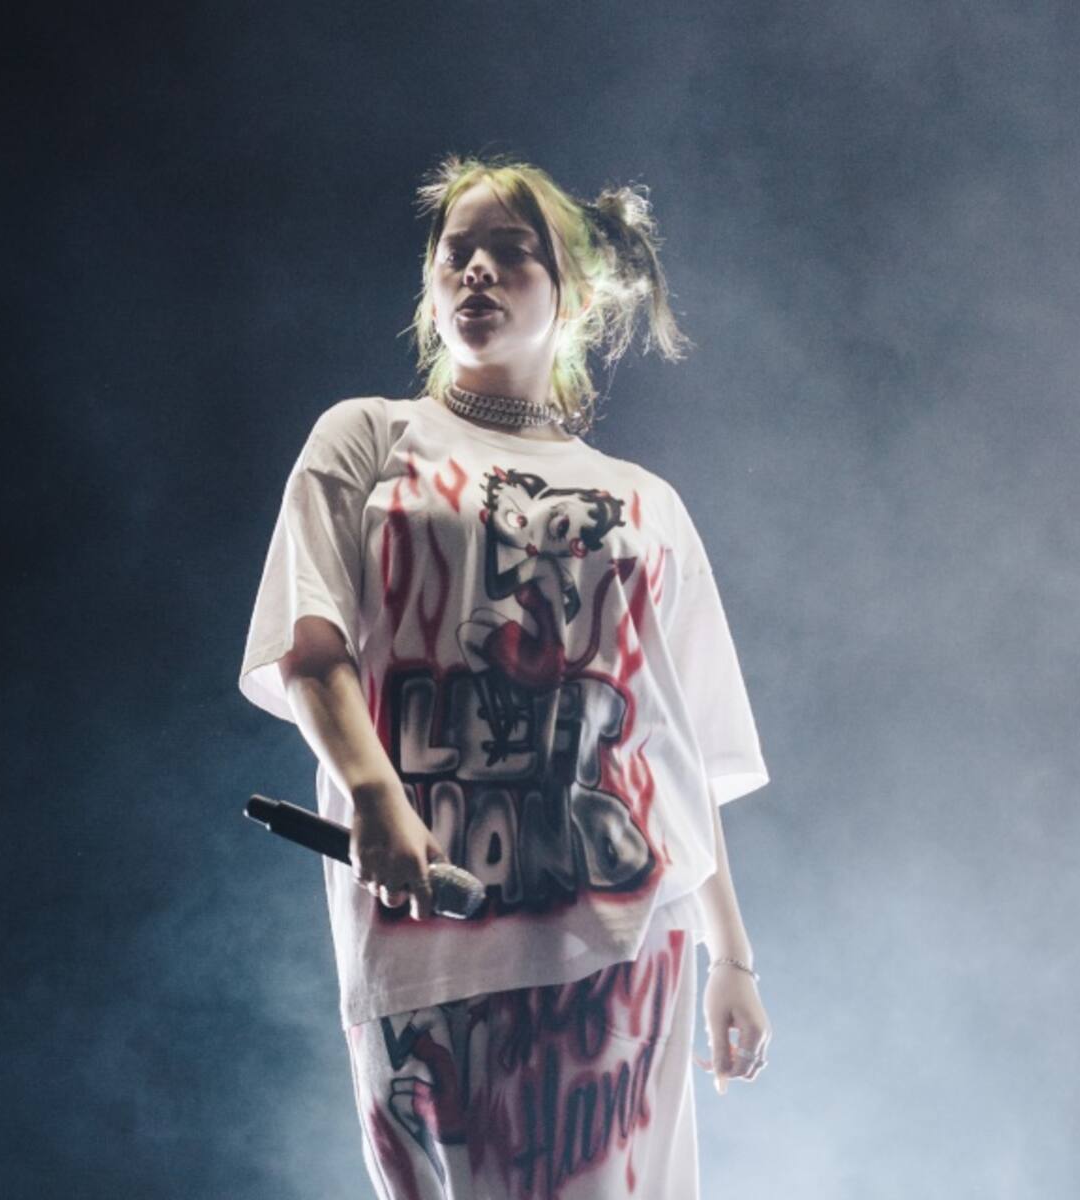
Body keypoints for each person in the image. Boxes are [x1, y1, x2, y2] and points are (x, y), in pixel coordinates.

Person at [239, 153, 772, 1200]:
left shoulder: (645, 503)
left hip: (620, 935)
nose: (474, 270)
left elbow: (678, 746)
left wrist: (733, 958)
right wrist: (375, 795)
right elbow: (312, 649)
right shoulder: (367, 437)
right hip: (426, 933)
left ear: (575, 294)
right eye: (456, 253)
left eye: (510, 252)